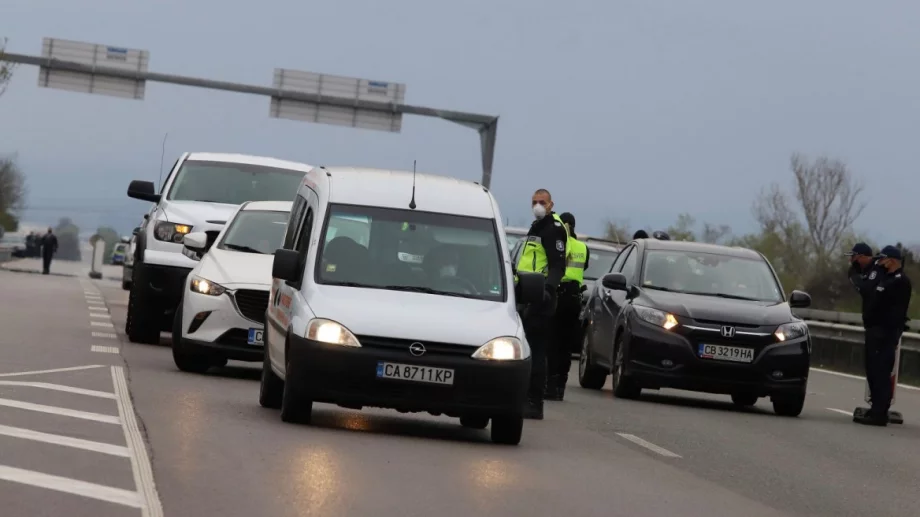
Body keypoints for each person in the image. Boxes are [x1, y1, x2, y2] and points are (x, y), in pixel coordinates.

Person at [515, 188, 568, 419]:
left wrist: (546, 290)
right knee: (524, 352)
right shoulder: (536, 227)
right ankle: (524, 397)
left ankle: (535, 402)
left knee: (536, 352)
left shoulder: (553, 229)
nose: (538, 205)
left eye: (542, 202)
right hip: (526, 296)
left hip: (541, 299)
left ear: (550, 204)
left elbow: (557, 266)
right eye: (534, 201)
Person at [855, 245, 912, 426]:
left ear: (892, 260)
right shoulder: (884, 278)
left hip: (885, 333)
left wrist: (889, 332)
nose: (879, 262)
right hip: (875, 330)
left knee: (881, 372)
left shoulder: (900, 280)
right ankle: (875, 409)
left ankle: (880, 413)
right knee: (872, 371)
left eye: (882, 259)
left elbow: (895, 310)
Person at [546, 212, 589, 401]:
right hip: (573, 299)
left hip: (557, 297)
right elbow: (584, 267)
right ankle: (560, 387)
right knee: (565, 345)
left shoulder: (558, 244)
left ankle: (549, 384)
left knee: (552, 343)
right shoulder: (583, 247)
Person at [845, 243, 885, 387]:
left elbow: (867, 289)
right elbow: (863, 289)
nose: (852, 261)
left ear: (862, 256)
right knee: (870, 365)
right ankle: (876, 403)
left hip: (883, 324)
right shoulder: (859, 271)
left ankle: (880, 404)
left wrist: (858, 278)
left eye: (854, 257)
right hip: (870, 322)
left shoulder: (877, 269)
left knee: (880, 367)